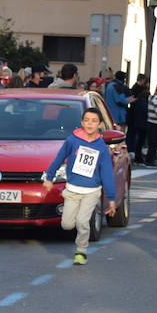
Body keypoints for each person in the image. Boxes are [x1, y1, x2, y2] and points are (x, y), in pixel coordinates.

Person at [42, 108, 118, 265]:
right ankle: (75, 220)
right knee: (67, 224)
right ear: (82, 122)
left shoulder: (101, 147)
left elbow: (107, 173)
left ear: (100, 124)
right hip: (72, 190)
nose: (90, 123)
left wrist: (111, 198)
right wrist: (49, 177)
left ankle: (81, 252)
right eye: (87, 120)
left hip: (91, 191)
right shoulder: (72, 141)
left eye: (94, 121)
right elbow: (59, 159)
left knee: (83, 222)